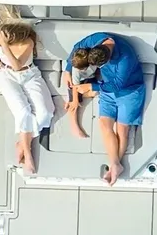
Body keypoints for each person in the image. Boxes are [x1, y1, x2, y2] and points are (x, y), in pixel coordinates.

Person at [0, 21, 54, 174]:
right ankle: (27, 153)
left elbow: (17, 65)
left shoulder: (27, 42)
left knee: (46, 112)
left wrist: (4, 45)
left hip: (29, 74)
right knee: (23, 112)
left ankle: (22, 143)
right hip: (6, 74)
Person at [62, 33, 145, 185]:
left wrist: (91, 86)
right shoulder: (97, 39)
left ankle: (114, 165)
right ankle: (115, 165)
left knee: (122, 130)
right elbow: (76, 47)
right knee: (104, 125)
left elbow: (118, 84)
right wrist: (68, 69)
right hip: (106, 89)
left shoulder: (125, 58)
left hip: (129, 91)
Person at [64, 48, 100, 139]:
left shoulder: (94, 61)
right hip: (77, 83)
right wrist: (75, 100)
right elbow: (75, 86)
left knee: (95, 92)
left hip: (90, 79)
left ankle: (72, 96)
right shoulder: (76, 70)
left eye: (82, 69)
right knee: (74, 103)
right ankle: (74, 126)